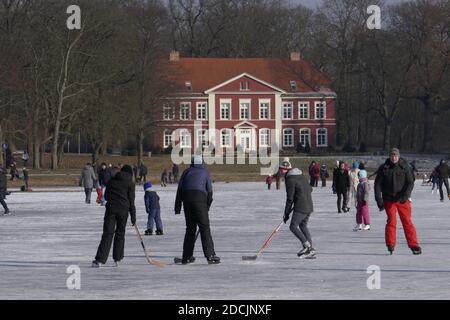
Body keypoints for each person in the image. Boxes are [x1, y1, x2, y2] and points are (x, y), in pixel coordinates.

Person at [375, 148, 421, 255]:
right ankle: (390, 244)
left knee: (407, 222)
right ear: (389, 156)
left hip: (402, 200)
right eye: (392, 155)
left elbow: (410, 182)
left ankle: (414, 245)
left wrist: (406, 196)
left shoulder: (405, 167)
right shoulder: (384, 168)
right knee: (391, 221)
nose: (393, 157)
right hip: (388, 199)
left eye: (395, 155)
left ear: (398, 156)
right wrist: (379, 200)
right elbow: (377, 185)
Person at [175, 155, 220, 265]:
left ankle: (186, 256)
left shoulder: (186, 172)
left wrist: (177, 207)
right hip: (200, 200)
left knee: (190, 229)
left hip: (187, 200)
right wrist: (207, 205)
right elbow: (209, 190)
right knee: (204, 228)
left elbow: (179, 190)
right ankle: (210, 255)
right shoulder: (205, 172)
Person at [92, 165, 137, 267]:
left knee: (107, 234)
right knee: (120, 234)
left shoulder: (112, 181)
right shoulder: (130, 183)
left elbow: (106, 196)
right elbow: (131, 201)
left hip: (111, 210)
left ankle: (100, 260)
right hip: (123, 211)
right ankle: (117, 258)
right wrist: (133, 217)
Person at [280, 159, 316, 259]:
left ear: (285, 170)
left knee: (293, 226)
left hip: (301, 206)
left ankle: (308, 247)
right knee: (303, 225)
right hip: (309, 205)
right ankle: (310, 250)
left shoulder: (290, 179)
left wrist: (286, 214)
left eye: (281, 170)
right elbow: (310, 189)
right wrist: (301, 194)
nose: (281, 172)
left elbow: (290, 198)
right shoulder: (300, 175)